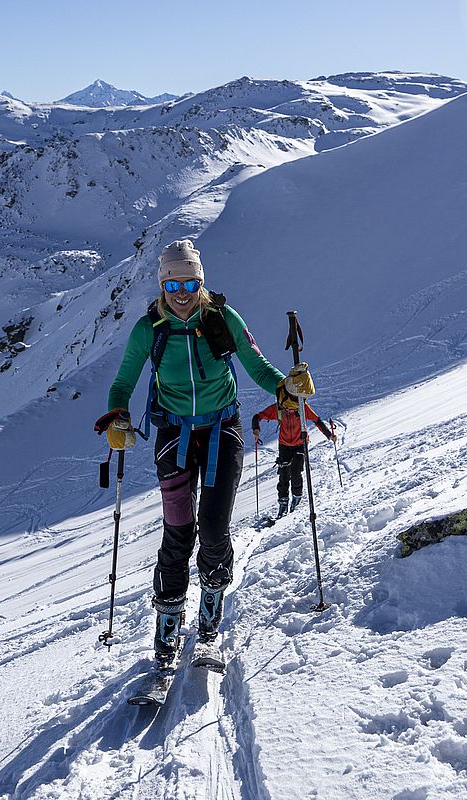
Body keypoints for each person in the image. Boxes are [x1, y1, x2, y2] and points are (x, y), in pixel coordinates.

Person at [94, 239, 314, 670]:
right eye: (172, 282)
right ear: (162, 284)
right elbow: (123, 383)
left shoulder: (222, 318)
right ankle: (168, 631)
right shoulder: (149, 330)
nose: (181, 291)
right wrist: (117, 415)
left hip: (222, 431)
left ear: (201, 281)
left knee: (214, 530)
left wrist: (283, 389)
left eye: (190, 281)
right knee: (177, 534)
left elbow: (256, 364)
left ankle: (209, 623)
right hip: (175, 437)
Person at [252, 395, 336, 518]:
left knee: (296, 471)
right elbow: (257, 417)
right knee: (284, 474)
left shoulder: (303, 408)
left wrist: (329, 435)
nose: (289, 409)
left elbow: (317, 420)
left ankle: (296, 497)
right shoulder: (279, 409)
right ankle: (283, 503)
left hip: (300, 444)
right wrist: (256, 429)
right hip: (284, 445)